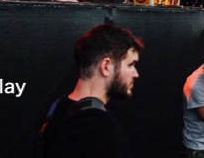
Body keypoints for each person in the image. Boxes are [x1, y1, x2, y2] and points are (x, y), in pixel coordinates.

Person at [37, 24, 144, 157]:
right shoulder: (101, 127)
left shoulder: (55, 110)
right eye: (130, 64)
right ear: (106, 66)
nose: (136, 74)